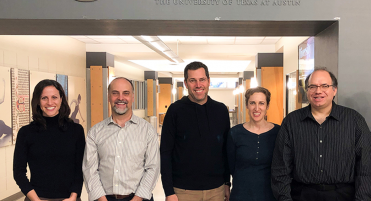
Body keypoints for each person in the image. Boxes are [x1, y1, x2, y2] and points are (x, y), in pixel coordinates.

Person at [271, 68, 371, 201]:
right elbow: (280, 168)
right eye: (312, 86)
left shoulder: (354, 120)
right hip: (302, 195)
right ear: (307, 91)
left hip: (343, 196)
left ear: (334, 90)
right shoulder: (291, 121)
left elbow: (367, 168)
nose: (318, 91)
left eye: (324, 86)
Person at [160, 61, 231, 201]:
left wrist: (227, 183)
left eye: (202, 80)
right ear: (186, 83)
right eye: (193, 80)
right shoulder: (175, 111)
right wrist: (169, 191)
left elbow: (225, 151)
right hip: (183, 191)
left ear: (209, 81)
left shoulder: (221, 110)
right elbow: (165, 152)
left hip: (216, 190)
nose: (198, 85)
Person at [83, 77, 160, 201]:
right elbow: (90, 170)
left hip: (139, 198)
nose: (120, 98)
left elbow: (152, 168)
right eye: (115, 93)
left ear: (133, 97)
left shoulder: (148, 131)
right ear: (109, 97)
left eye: (126, 93)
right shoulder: (95, 132)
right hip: (104, 198)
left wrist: (137, 198)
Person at [13, 79, 85, 201]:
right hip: (37, 198)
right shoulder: (26, 132)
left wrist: (73, 196)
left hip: (69, 198)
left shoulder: (76, 130)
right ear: (37, 101)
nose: (50, 102)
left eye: (54, 97)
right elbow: (19, 172)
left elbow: (80, 168)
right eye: (44, 98)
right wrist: (35, 199)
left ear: (61, 99)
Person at [227, 87, 280, 201]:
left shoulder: (279, 132)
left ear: (267, 106)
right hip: (241, 195)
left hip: (271, 195)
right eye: (252, 103)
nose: (257, 108)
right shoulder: (235, 133)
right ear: (247, 105)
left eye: (261, 103)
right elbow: (230, 166)